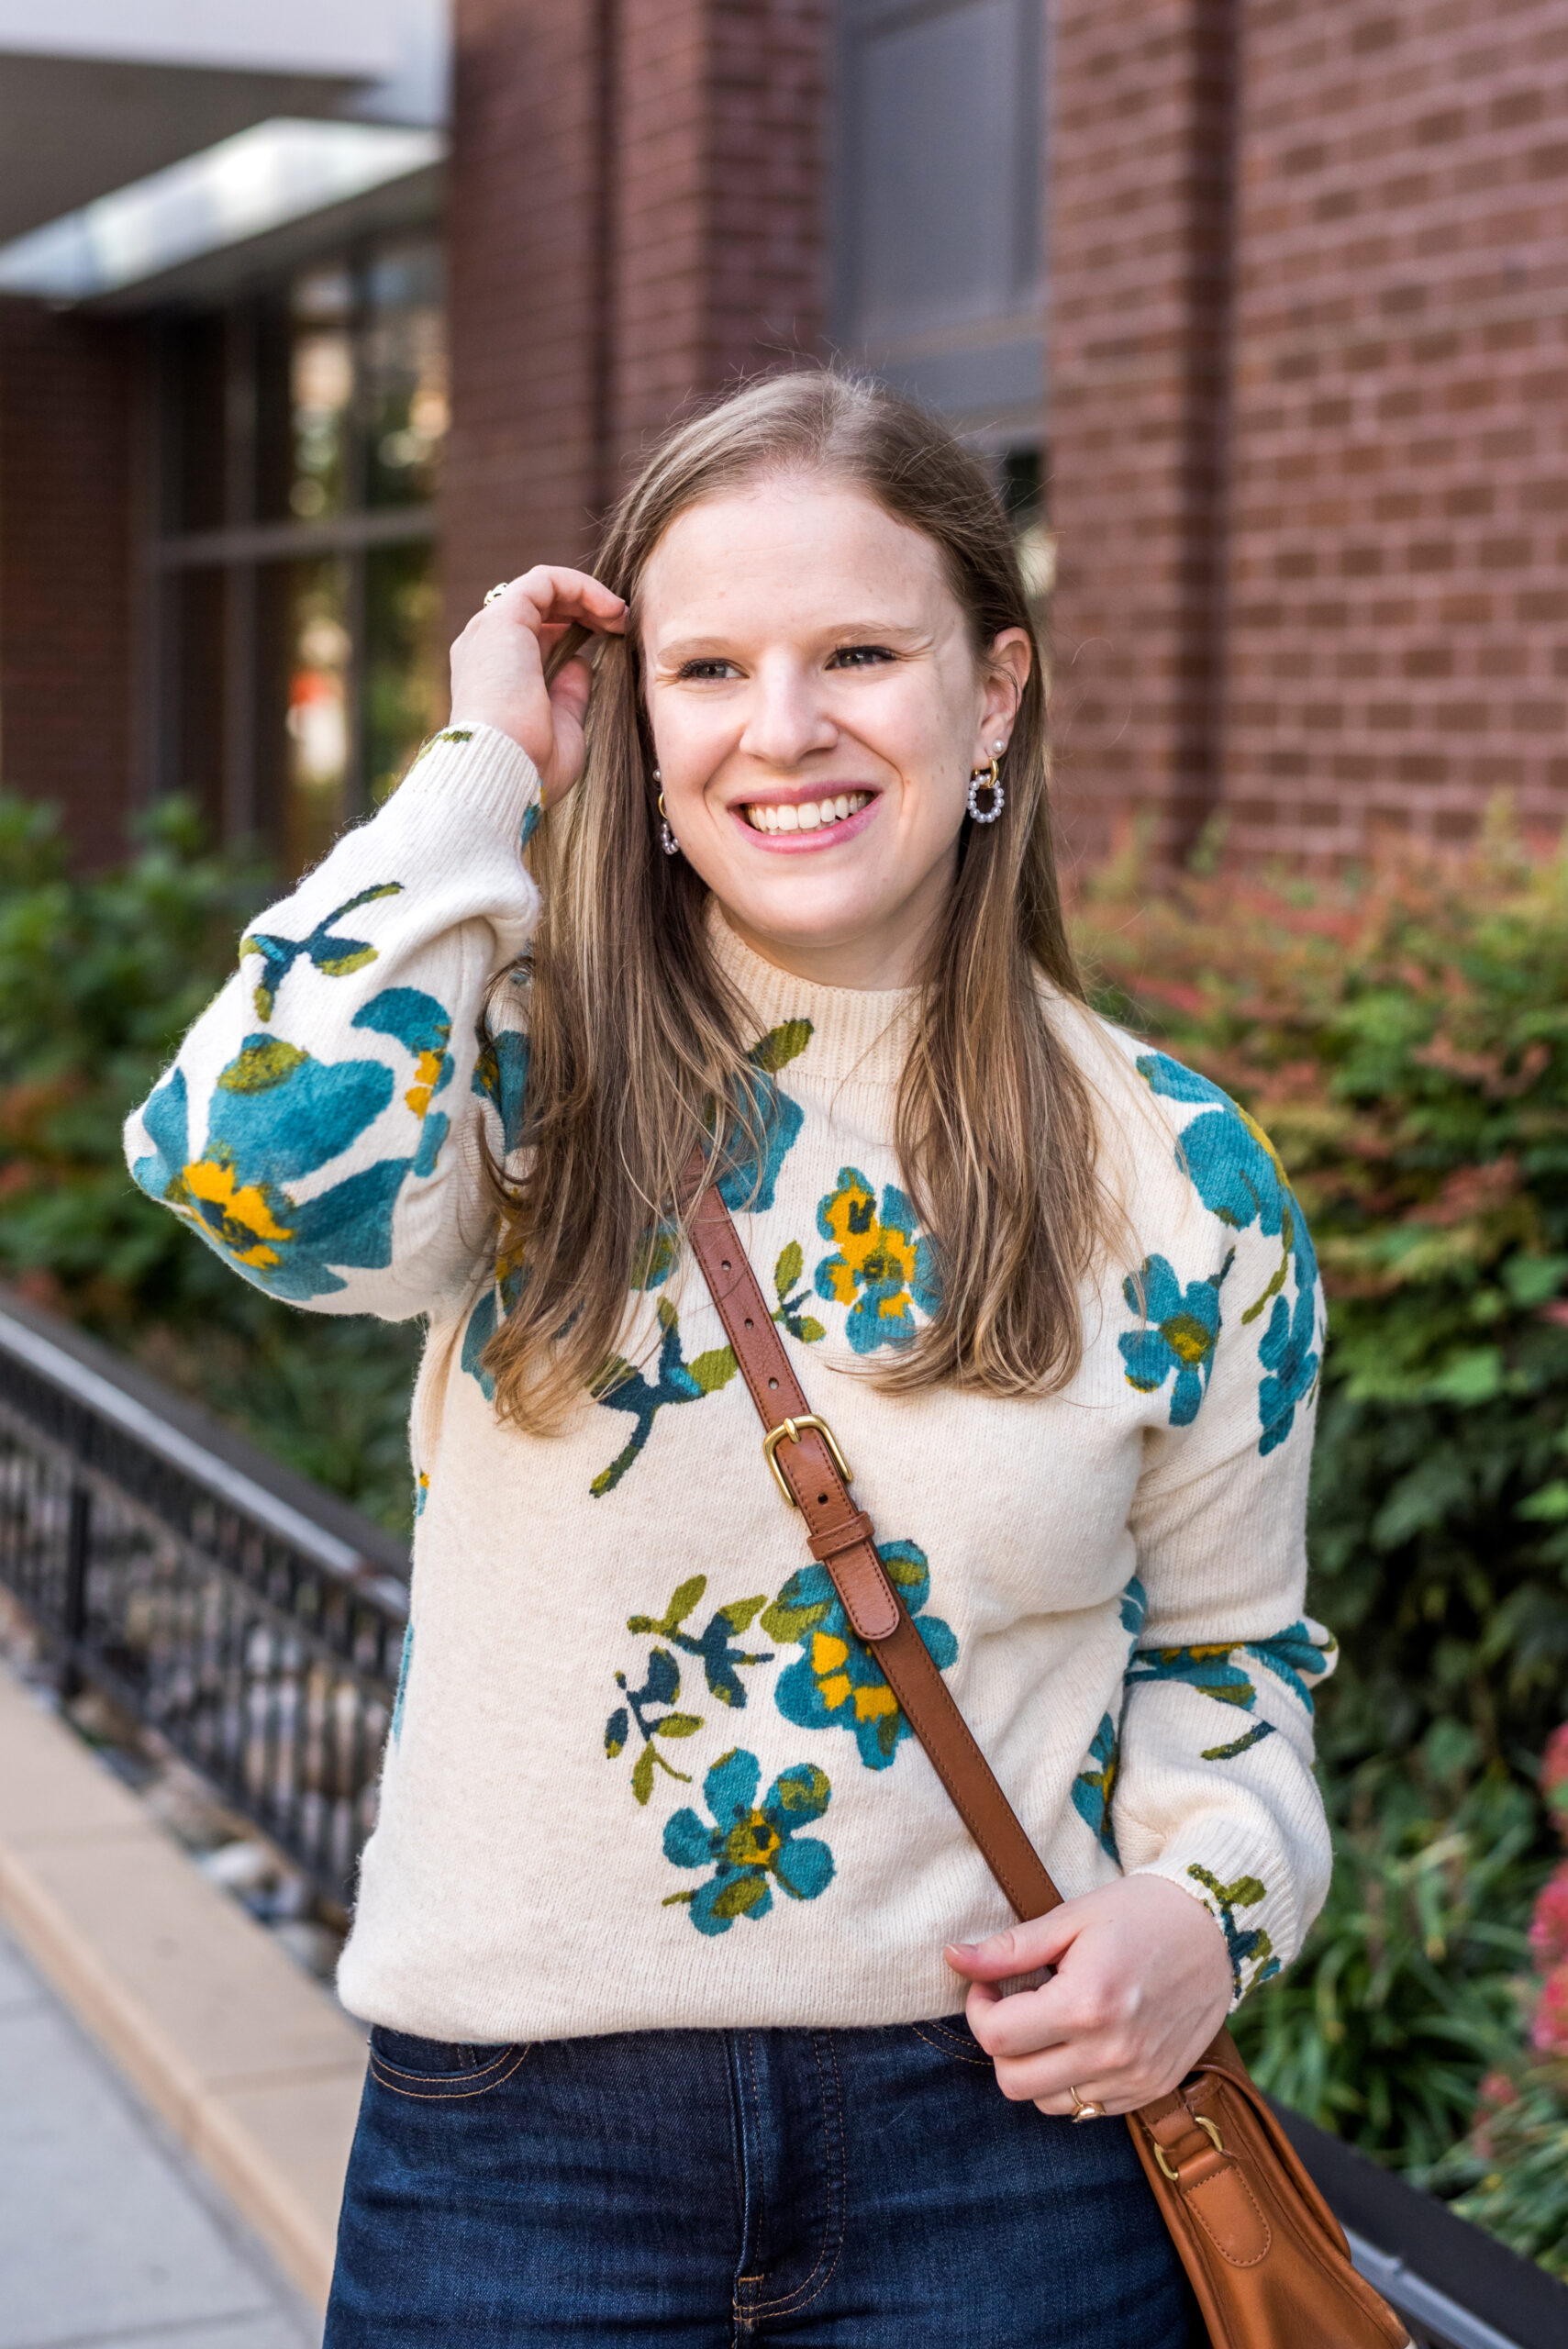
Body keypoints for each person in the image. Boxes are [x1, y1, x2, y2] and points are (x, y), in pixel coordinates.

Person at [126, 372, 1333, 2347]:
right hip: (525, 2150)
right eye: (708, 667)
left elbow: (1236, 1657)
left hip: (1008, 2149)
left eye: (861, 648)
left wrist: (1206, 1914)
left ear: (995, 690)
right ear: (644, 719)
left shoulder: (1182, 1171)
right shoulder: (512, 1076)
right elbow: (243, 1158)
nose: (784, 728)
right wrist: (484, 759)